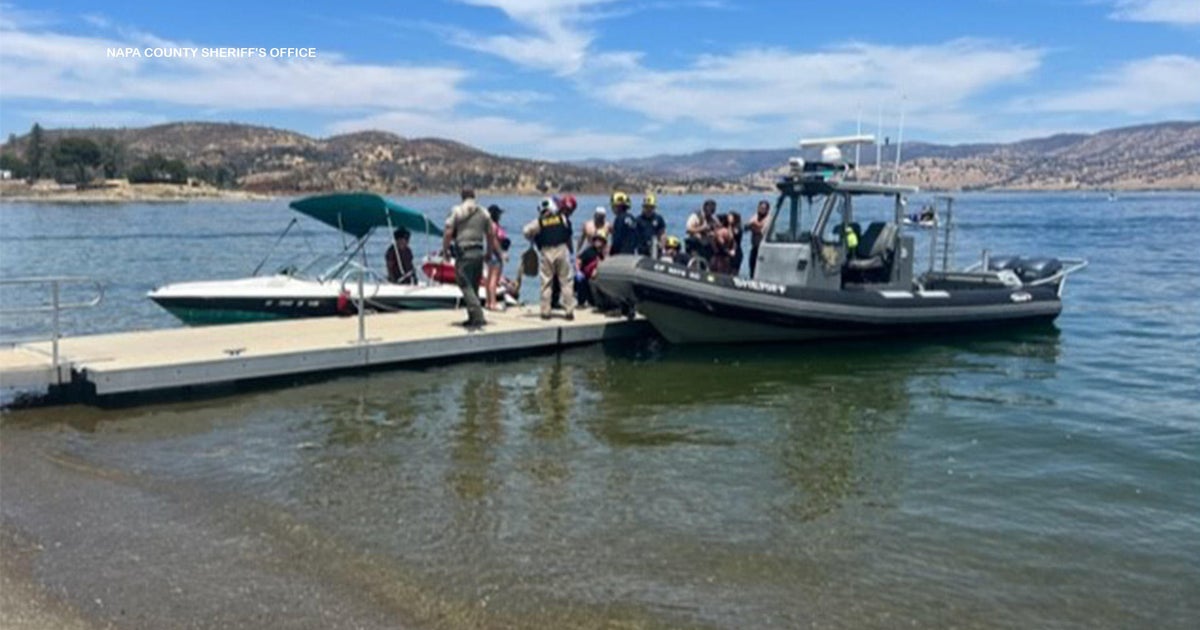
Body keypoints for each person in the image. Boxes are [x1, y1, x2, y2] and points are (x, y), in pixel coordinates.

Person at [442, 187, 498, 328]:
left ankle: (477, 315)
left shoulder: (457, 211)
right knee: (474, 286)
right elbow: (491, 233)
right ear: (474, 196)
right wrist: (490, 252)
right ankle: (472, 318)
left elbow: (448, 232)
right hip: (478, 251)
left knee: (464, 283)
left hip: (464, 251)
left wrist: (445, 249)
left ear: (462, 197)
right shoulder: (484, 212)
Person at [523, 197, 576, 320]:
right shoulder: (562, 218)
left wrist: (533, 239)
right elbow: (568, 234)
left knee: (546, 282)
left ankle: (545, 312)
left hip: (546, 252)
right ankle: (569, 311)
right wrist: (572, 252)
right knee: (566, 282)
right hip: (562, 250)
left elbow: (525, 231)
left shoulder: (539, 221)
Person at [485, 204, 511, 311]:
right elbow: (494, 241)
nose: (500, 216)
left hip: (492, 254)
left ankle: (488, 302)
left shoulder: (490, 225)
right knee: (493, 280)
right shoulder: (493, 226)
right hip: (495, 255)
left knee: (489, 279)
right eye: (499, 214)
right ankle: (493, 303)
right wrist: (501, 254)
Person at [575, 232, 607, 307]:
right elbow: (578, 261)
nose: (597, 242)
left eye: (599, 240)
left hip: (594, 278)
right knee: (582, 283)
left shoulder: (602, 254)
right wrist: (578, 272)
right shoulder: (589, 251)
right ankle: (581, 303)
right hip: (584, 277)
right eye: (596, 240)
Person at [684, 199, 720, 263]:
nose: (712, 212)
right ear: (705, 208)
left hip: (707, 246)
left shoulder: (713, 219)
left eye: (713, 210)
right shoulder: (695, 216)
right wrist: (702, 229)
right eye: (710, 209)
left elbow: (718, 228)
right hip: (695, 245)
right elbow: (688, 229)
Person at [608, 191, 639, 256]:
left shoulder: (619, 219)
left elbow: (617, 239)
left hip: (621, 254)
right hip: (631, 253)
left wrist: (612, 252)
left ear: (618, 207)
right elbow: (636, 237)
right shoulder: (632, 218)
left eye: (613, 206)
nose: (612, 209)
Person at [746, 199, 771, 278]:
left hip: (764, 249)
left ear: (767, 210)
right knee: (752, 268)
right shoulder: (756, 216)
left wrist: (755, 226)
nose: (761, 210)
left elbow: (761, 230)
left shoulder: (769, 219)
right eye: (760, 208)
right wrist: (754, 225)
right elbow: (748, 226)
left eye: (763, 208)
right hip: (755, 247)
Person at [724, 211, 744, 275]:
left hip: (736, 251)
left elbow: (734, 235)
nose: (728, 218)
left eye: (730, 217)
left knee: (734, 270)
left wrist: (730, 226)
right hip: (728, 251)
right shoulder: (726, 226)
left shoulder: (737, 227)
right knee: (727, 269)